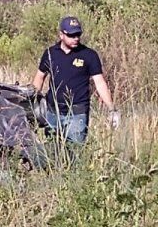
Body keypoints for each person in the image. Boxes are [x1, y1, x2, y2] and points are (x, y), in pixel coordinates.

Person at [31, 16, 117, 144]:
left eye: (78, 34)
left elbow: (100, 82)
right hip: (53, 113)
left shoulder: (89, 55)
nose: (76, 38)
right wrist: (33, 102)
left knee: (75, 153)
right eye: (71, 35)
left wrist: (111, 109)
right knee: (52, 152)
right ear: (61, 35)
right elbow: (39, 77)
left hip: (77, 114)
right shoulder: (50, 53)